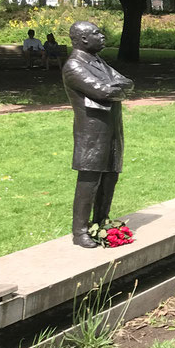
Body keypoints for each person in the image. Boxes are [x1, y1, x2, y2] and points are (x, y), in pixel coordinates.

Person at [62, 21, 134, 248]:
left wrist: (115, 89)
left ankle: (101, 221)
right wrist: (113, 89)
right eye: (96, 33)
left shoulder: (98, 62)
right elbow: (103, 91)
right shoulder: (73, 67)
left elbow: (127, 83)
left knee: (110, 176)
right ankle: (80, 231)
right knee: (89, 180)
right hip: (91, 134)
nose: (102, 36)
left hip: (112, 130)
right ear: (83, 39)